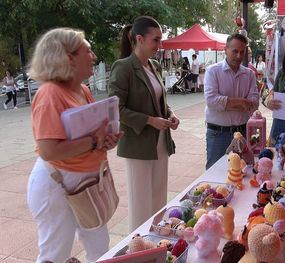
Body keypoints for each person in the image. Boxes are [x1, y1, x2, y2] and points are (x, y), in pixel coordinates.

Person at [26, 28, 122, 263]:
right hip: (56, 186)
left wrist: (105, 141)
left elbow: (92, 138)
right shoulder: (49, 93)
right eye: (87, 51)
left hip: (86, 184)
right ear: (68, 57)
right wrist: (94, 141)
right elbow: (49, 151)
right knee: (54, 254)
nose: (94, 57)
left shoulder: (83, 90)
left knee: (100, 249)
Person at [108, 16, 180, 231]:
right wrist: (149, 121)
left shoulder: (154, 65)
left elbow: (159, 102)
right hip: (137, 144)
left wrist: (170, 114)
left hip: (160, 141)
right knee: (140, 203)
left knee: (159, 199)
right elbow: (116, 109)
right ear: (139, 39)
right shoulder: (123, 67)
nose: (160, 45)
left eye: (160, 40)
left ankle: (157, 240)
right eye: (155, 40)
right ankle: (139, 247)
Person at [204, 33, 259, 169]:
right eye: (235, 51)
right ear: (225, 49)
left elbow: (254, 103)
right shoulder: (213, 71)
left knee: (244, 172)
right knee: (215, 173)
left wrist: (225, 104)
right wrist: (241, 102)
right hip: (218, 135)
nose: (239, 56)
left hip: (243, 133)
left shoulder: (249, 74)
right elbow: (211, 101)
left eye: (242, 52)